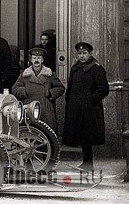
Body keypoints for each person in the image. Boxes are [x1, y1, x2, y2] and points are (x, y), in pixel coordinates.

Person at [62, 42, 109, 171]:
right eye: (79, 54)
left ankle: (89, 163)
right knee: (81, 136)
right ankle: (86, 163)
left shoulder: (97, 68)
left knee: (87, 137)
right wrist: (69, 101)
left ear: (90, 54)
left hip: (89, 110)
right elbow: (70, 87)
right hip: (76, 108)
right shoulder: (75, 68)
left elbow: (103, 89)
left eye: (84, 53)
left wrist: (91, 101)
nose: (82, 56)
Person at [11, 48, 65, 132]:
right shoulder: (24, 75)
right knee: (30, 131)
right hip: (29, 107)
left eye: (39, 58)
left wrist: (50, 93)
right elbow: (15, 89)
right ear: (31, 60)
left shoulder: (49, 74)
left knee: (47, 132)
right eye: (34, 58)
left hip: (45, 107)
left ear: (42, 60)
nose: (37, 60)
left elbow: (61, 88)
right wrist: (26, 91)